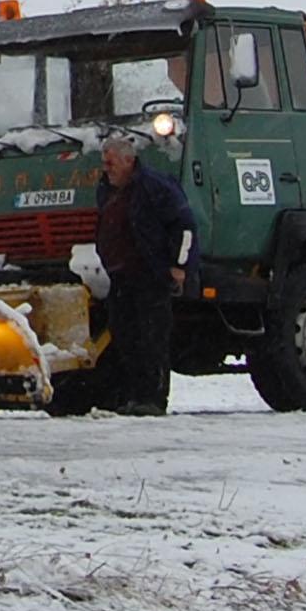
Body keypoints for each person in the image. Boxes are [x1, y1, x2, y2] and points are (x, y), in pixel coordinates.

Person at [91, 131, 199, 414]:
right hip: (121, 277)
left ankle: (154, 399)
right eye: (104, 162)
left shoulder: (155, 187)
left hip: (151, 275)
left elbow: (184, 225)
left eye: (111, 163)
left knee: (152, 338)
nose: (106, 168)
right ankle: (133, 396)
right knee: (125, 336)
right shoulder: (106, 190)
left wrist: (179, 266)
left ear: (129, 161)